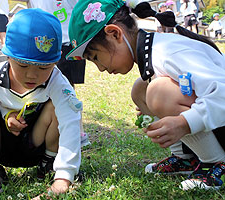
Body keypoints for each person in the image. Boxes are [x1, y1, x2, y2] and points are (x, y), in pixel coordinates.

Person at [66, 0, 225, 191]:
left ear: (115, 33)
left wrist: (184, 122)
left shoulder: (168, 52)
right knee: (141, 90)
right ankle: (185, 159)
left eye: (96, 57)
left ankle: (217, 164)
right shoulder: (153, 51)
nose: (100, 68)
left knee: (158, 92)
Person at [0, 8, 82, 199]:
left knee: (61, 105)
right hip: (1, 145)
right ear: (8, 56)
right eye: (23, 65)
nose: (32, 75)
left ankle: (49, 165)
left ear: (56, 61)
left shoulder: (58, 82)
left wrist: (64, 176)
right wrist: (6, 114)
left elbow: (70, 122)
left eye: (43, 67)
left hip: (39, 146)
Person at [26, 0, 90, 147]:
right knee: (44, 85)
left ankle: (77, 131)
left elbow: (80, 7)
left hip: (68, 41)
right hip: (44, 41)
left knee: (67, 89)